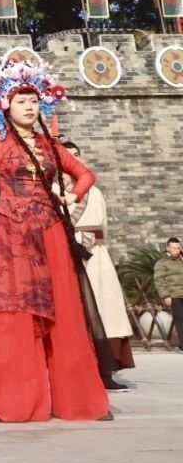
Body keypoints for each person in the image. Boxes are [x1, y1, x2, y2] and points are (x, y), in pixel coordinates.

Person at [0, 18, 109, 423]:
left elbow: (85, 174)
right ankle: (4, 401)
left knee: (65, 310)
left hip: (50, 230)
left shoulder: (52, 147)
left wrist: (71, 196)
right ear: (6, 106)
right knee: (12, 312)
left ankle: (79, 400)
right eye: (21, 100)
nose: (29, 106)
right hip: (13, 233)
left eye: (34, 100)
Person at [62, 140, 134, 389]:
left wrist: (90, 242)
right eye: (68, 155)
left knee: (105, 310)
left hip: (96, 256)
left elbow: (103, 226)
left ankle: (106, 370)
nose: (74, 159)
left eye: (77, 154)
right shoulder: (54, 189)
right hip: (67, 256)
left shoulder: (94, 192)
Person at [155, 237, 183, 352]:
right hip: (174, 295)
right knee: (180, 319)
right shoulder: (162, 263)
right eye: (174, 248)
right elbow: (159, 280)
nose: (176, 250)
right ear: (168, 248)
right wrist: (165, 295)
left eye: (178, 248)